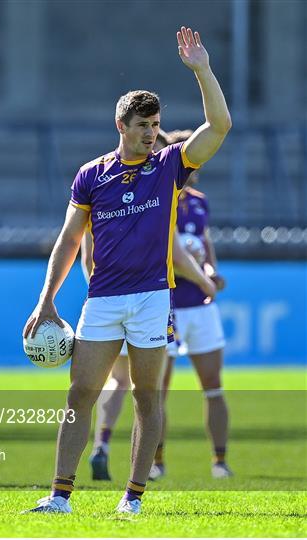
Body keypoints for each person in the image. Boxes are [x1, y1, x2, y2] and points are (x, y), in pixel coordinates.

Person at [23, 26, 231, 514]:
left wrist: (202, 69)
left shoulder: (168, 166)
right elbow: (70, 239)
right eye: (142, 125)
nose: (151, 133)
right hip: (102, 299)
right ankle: (59, 496)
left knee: (146, 398)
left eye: (155, 125)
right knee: (81, 394)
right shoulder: (92, 175)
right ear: (121, 125)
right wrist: (46, 298)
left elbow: (219, 127)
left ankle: (132, 500)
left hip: (153, 297)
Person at [85, 131, 217, 481]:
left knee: (117, 382)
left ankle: (103, 445)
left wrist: (96, 291)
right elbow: (173, 250)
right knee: (148, 392)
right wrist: (205, 281)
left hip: (107, 297)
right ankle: (143, 473)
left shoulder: (103, 179)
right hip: (148, 299)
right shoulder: (158, 191)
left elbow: (85, 249)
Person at [148, 129, 232, 480]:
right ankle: (157, 461)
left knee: (213, 385)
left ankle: (219, 461)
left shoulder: (199, 201)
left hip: (200, 305)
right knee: (156, 391)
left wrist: (212, 272)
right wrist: (202, 276)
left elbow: (204, 245)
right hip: (165, 304)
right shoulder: (155, 202)